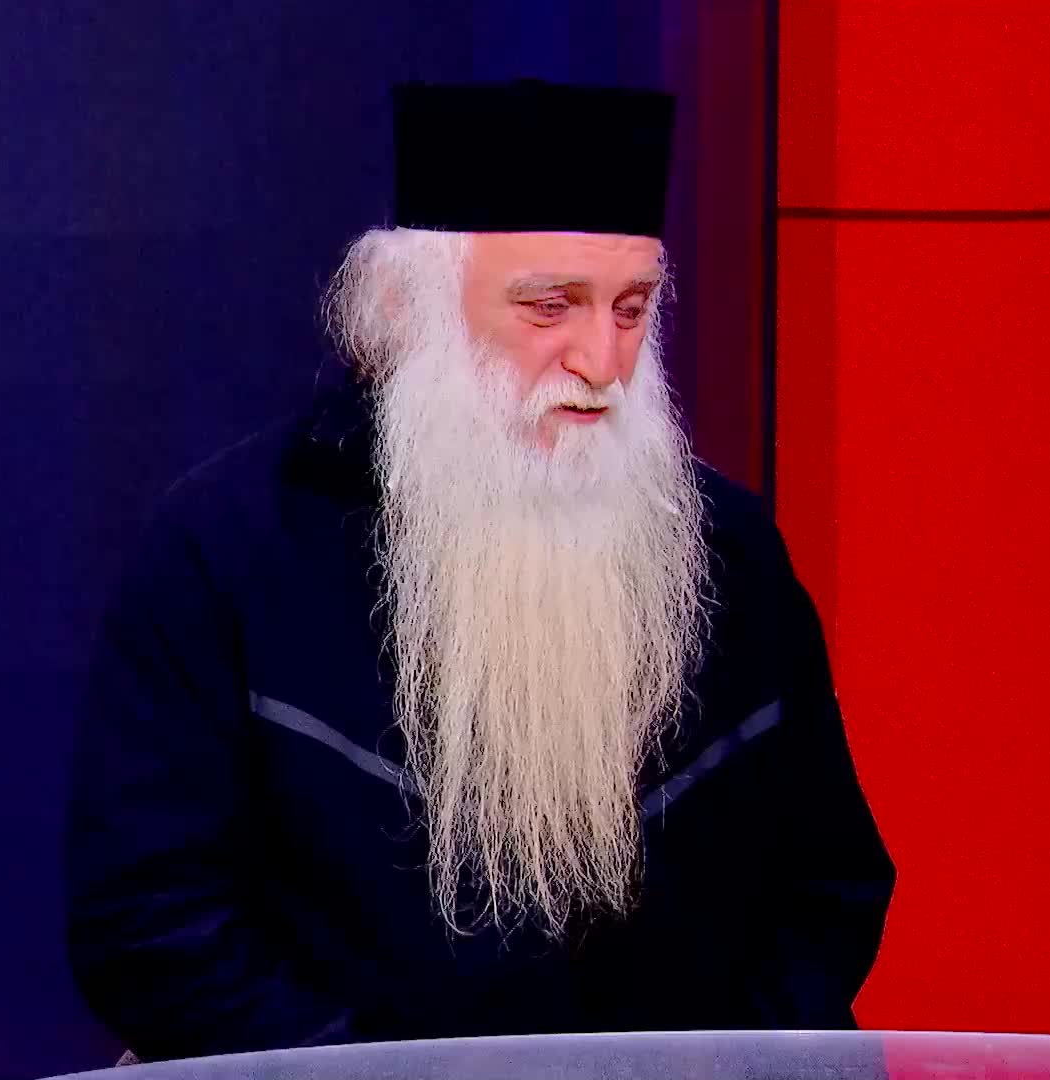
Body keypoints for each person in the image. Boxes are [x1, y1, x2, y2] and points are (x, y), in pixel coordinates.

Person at [64, 79, 895, 1062]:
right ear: (408, 310)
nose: (603, 361)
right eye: (550, 306)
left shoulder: (731, 554)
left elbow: (827, 889)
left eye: (632, 309)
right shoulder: (228, 550)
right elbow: (151, 924)